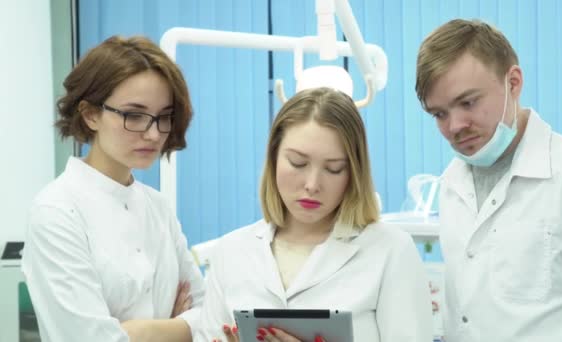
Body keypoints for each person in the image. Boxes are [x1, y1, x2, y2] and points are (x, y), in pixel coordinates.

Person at [415, 19, 562, 341]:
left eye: (468, 102)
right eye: (439, 114)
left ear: (513, 83)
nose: (454, 126)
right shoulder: (451, 184)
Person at [200, 87, 433, 342]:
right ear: (274, 158)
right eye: (298, 163)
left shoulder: (390, 251)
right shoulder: (231, 253)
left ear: (354, 173)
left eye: (333, 169)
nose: (312, 184)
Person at [21, 36, 205, 342]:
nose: (153, 133)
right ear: (90, 114)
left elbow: (212, 314)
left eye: (164, 117)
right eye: (134, 115)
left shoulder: (156, 206)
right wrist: (180, 328)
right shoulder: (56, 212)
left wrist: (146, 331)